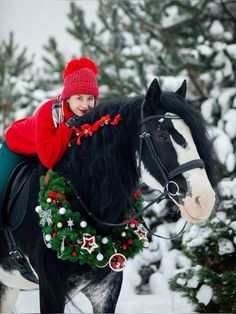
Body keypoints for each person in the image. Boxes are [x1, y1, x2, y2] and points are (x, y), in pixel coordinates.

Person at [0, 57, 99, 208]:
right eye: (79, 98)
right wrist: (66, 127)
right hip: (17, 146)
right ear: (68, 98)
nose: (85, 105)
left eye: (90, 98)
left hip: (42, 148)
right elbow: (48, 159)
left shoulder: (89, 117)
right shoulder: (49, 112)